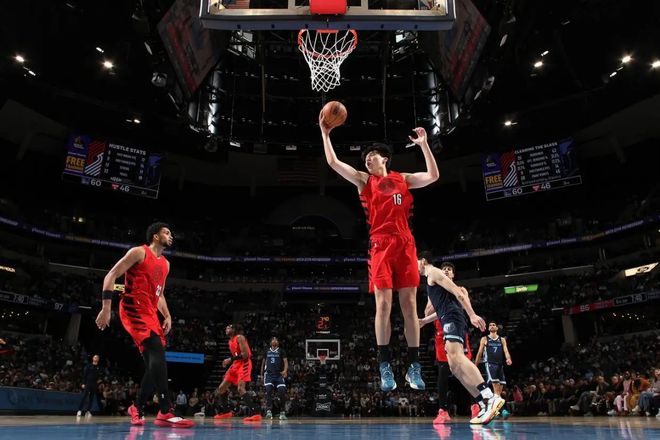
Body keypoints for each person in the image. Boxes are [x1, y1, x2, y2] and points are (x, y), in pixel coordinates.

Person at [320, 116, 439, 392]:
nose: (367, 161)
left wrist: (424, 145)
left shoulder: (403, 179)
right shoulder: (364, 181)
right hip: (380, 245)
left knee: (409, 305)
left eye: (371, 157)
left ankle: (414, 366)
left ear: (384, 159)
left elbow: (433, 176)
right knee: (383, 305)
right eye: (365, 159)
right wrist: (325, 135)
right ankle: (384, 364)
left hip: (405, 244)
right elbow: (334, 163)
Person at [95, 222, 194, 428]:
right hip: (132, 309)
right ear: (155, 236)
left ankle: (137, 407)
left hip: (150, 312)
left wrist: (167, 315)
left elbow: (160, 294)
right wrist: (106, 308)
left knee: (153, 364)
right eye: (167, 232)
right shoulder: (139, 252)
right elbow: (111, 275)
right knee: (157, 351)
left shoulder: (166, 264)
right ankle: (165, 410)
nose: (171, 236)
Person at [417, 252, 505, 424]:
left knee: (458, 357)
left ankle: (490, 396)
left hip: (453, 319)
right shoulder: (434, 281)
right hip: (447, 317)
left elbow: (459, 293)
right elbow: (438, 310)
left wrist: (472, 314)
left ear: (423, 261)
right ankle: (482, 403)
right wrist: (425, 321)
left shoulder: (433, 271)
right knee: (455, 367)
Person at [418, 262, 475, 424]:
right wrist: (432, 297)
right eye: (444, 269)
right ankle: (443, 411)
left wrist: (472, 315)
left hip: (456, 328)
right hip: (440, 334)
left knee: (464, 369)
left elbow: (462, 306)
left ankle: (476, 406)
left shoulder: (460, 289)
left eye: (449, 269)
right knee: (443, 374)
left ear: (453, 275)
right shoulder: (434, 289)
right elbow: (428, 312)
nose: (446, 271)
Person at [214, 324, 261, 422]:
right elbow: (236, 356)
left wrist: (230, 359)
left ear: (234, 329)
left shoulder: (240, 337)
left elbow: (245, 355)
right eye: (226, 327)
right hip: (236, 364)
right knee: (221, 388)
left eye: (229, 327)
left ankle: (256, 413)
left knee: (240, 388)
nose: (226, 329)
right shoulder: (230, 341)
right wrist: (231, 362)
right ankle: (226, 412)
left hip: (244, 363)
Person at [474, 321, 512, 405]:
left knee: (499, 391)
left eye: (493, 325)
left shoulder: (502, 339)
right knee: (496, 388)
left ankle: (494, 406)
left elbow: (506, 351)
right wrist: (475, 365)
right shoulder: (485, 339)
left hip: (500, 365)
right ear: (488, 328)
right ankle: (499, 408)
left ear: (497, 328)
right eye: (490, 325)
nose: (491, 326)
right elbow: (479, 353)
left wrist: (508, 359)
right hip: (490, 364)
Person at [260, 337, 289, 420]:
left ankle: (282, 412)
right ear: (270, 342)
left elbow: (285, 362)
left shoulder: (281, 351)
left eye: (276, 340)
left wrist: (285, 370)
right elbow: (263, 363)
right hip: (268, 375)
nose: (275, 340)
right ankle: (269, 411)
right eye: (273, 339)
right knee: (269, 391)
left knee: (282, 391)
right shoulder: (266, 351)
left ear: (278, 343)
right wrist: (261, 374)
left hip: (279, 375)